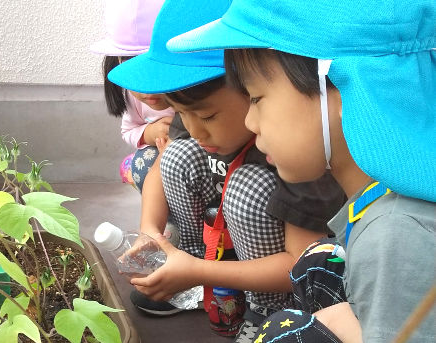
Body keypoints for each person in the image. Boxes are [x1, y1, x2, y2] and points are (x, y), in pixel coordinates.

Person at [167, 0, 436, 341]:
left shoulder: (396, 236)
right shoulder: (389, 189)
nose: (251, 121)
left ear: (338, 87)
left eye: (256, 98)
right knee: (316, 265)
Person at [108, 0, 347, 340]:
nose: (195, 129)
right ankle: (189, 264)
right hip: (227, 244)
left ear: (251, 90)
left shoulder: (295, 153)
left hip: (286, 276)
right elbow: (162, 170)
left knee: (247, 187)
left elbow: (299, 261)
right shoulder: (197, 119)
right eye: (180, 113)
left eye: (207, 116)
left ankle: (267, 307)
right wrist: (152, 234)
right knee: (177, 155)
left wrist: (200, 271)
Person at [90, 0, 175, 191]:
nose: (146, 90)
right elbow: (128, 131)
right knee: (138, 165)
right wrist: (151, 133)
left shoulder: (197, 91)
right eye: (134, 73)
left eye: (156, 71)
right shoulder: (132, 95)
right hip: (160, 157)